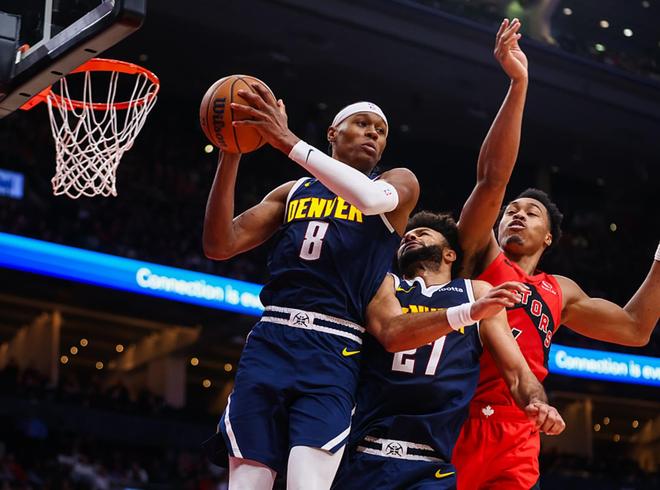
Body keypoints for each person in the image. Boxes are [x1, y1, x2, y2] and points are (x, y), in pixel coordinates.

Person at [450, 19, 660, 490]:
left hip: (522, 423)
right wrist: (519, 84)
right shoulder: (480, 256)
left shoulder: (559, 291)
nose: (516, 216)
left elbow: (635, 328)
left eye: (531, 213)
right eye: (511, 211)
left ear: (549, 238)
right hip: (459, 414)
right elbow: (492, 180)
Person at [202, 88, 419, 489]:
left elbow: (369, 200)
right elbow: (219, 244)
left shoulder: (396, 183)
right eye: (362, 124)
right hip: (271, 337)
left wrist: (287, 140)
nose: (373, 133)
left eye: (381, 130)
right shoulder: (293, 191)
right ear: (333, 134)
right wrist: (230, 153)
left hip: (335, 346)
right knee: (247, 483)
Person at [331, 211, 565, 489]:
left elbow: (518, 373)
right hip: (366, 451)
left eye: (423, 233)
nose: (411, 236)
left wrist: (538, 403)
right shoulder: (386, 285)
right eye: (407, 236)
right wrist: (467, 313)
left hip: (431, 463)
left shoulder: (476, 292)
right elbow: (392, 333)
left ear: (449, 254)